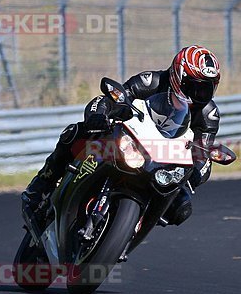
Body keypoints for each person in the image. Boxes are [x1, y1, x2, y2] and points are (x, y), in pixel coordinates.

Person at [22, 45, 221, 228]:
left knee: (181, 208)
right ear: (178, 76)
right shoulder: (152, 81)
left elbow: (203, 153)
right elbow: (113, 98)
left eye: (206, 89)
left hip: (163, 161)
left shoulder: (209, 114)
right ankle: (41, 185)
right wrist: (99, 115)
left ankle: (130, 232)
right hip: (131, 140)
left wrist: (193, 176)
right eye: (193, 86)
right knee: (75, 133)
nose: (198, 94)